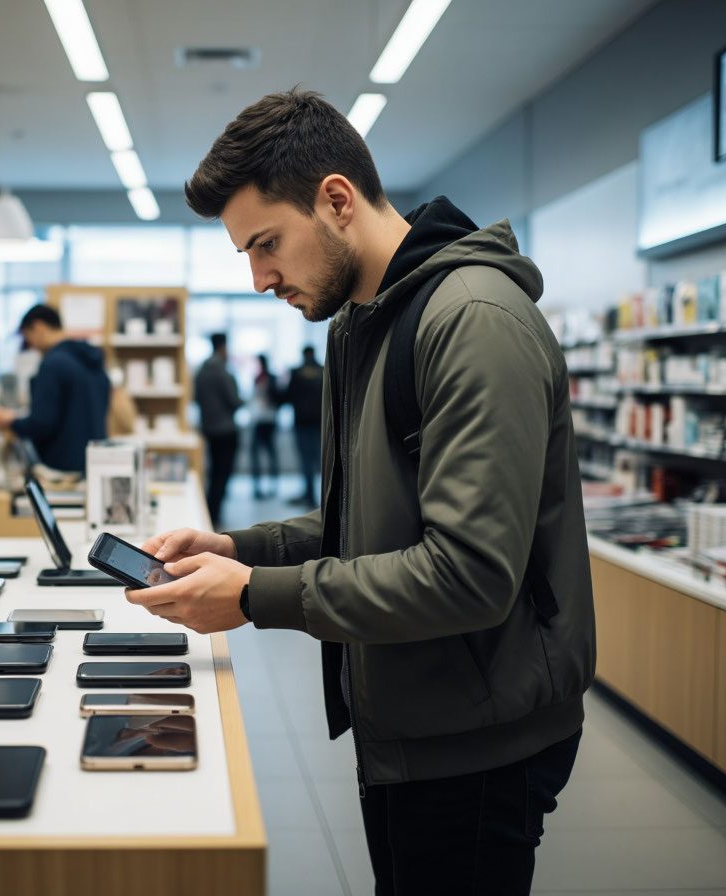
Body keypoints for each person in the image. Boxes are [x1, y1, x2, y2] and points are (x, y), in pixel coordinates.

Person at [125, 89, 596, 894]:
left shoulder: (472, 320)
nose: (259, 278)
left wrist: (255, 595)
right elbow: (371, 519)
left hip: (479, 740)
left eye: (267, 243)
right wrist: (239, 547)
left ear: (337, 200)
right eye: (245, 253)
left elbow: (469, 574)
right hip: (417, 717)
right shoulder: (364, 323)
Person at [0, 304, 109, 475]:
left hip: (63, 471)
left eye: (27, 337)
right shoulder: (91, 360)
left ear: (38, 327)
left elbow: (42, 423)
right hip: (93, 463)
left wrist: (12, 422)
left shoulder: (52, 364)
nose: (30, 346)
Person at [193, 332, 241, 528]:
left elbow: (196, 399)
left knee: (214, 473)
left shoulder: (201, 371)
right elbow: (234, 401)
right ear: (222, 347)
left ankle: (211, 513)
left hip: (209, 429)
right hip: (226, 430)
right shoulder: (222, 372)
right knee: (223, 474)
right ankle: (215, 514)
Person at [283, 345, 324, 506]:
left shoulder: (296, 373)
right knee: (320, 459)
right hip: (319, 423)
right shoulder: (323, 371)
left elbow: (288, 396)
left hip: (301, 422)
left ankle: (309, 495)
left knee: (306, 459)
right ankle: (321, 495)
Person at [249, 353, 280, 499]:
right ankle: (257, 486)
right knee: (256, 453)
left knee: (271, 453)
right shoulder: (257, 378)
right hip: (259, 419)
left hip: (269, 419)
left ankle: (273, 486)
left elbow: (278, 398)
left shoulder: (272, 378)